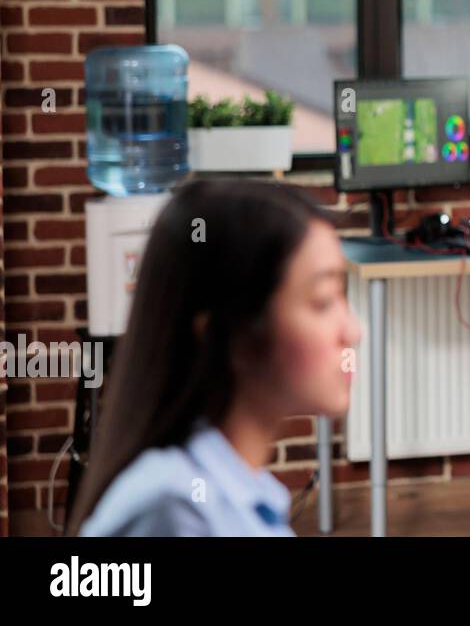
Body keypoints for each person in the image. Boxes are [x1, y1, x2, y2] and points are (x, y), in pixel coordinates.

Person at [67, 179, 360, 536]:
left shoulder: (245, 496)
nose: (353, 332)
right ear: (233, 335)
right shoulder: (176, 513)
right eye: (323, 300)